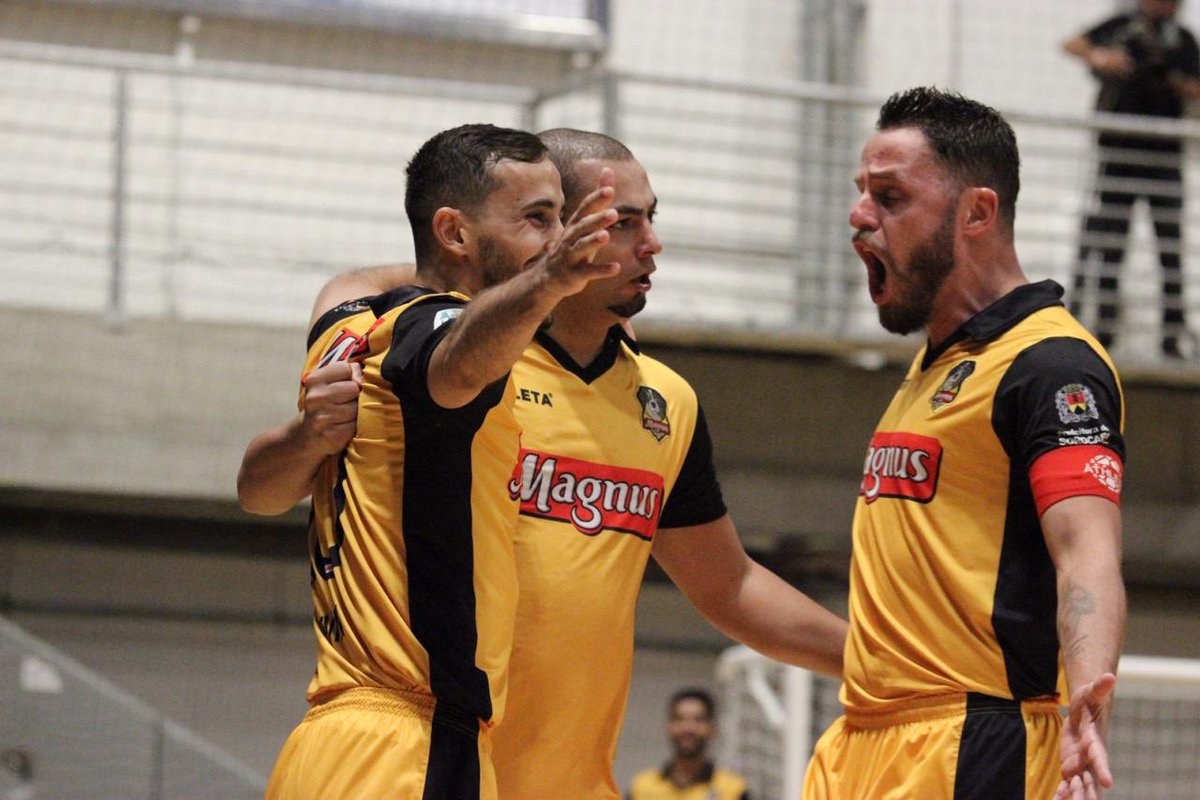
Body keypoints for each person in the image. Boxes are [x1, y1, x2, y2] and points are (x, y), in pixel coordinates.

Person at [241, 128, 848, 799]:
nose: (651, 243)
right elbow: (266, 483)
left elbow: (729, 584)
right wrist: (538, 278)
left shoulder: (664, 400)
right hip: (436, 757)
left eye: (651, 218)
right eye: (621, 223)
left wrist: (876, 661)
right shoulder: (461, 352)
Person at [257, 123, 621, 800]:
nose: (556, 238)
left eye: (561, 220)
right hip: (408, 749)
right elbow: (457, 360)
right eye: (537, 219)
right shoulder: (435, 329)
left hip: (333, 743)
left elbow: (256, 491)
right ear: (454, 232)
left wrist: (304, 438)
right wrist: (547, 282)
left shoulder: (348, 322)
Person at [803, 88, 1127, 800]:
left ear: (977, 212)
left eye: (890, 196)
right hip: (865, 737)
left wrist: (1088, 691)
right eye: (862, 191)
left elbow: (1086, 550)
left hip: (970, 744)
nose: (859, 214)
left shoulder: (1052, 365)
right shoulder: (937, 364)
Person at [1063, 0, 1200, 359]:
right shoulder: (1123, 28)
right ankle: (1103, 329)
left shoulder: (1181, 40)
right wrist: (1102, 58)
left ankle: (1172, 335)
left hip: (1163, 159)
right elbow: (1073, 43)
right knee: (1111, 244)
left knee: (1170, 249)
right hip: (1118, 156)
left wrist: (1173, 78)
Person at [627, 688, 750, 800]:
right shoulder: (641, 788)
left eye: (698, 720)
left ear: (712, 728)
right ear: (669, 726)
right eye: (680, 719)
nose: (688, 728)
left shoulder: (734, 790)